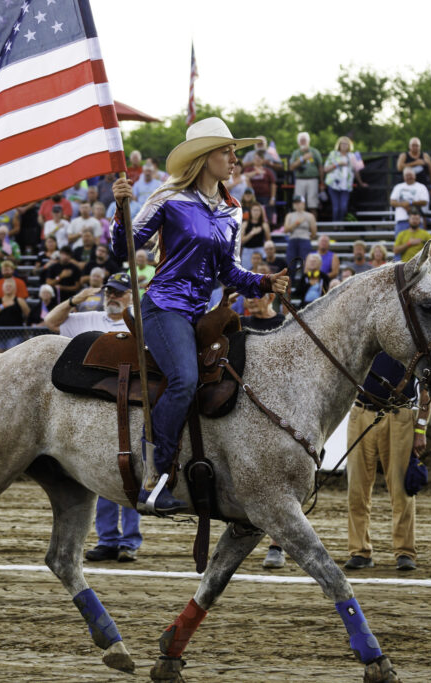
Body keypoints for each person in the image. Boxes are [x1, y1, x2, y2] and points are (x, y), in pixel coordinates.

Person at [111, 117, 289, 513]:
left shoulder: (233, 210)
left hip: (199, 314)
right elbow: (123, 249)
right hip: (163, 306)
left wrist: (265, 283)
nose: (234, 159)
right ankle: (153, 479)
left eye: (234, 153)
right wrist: (120, 210)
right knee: (185, 379)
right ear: (205, 157)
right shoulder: (168, 197)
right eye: (227, 152)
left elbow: (230, 272)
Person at [44, 273, 143, 560]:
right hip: (98, 408)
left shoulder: (140, 320)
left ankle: (129, 541)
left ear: (130, 296)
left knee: (132, 471)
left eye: (119, 292)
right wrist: (75, 299)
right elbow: (51, 322)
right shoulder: (90, 318)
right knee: (104, 472)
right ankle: (108, 539)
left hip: (131, 405)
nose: (112, 296)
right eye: (109, 291)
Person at [345, 353, 431, 572]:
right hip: (361, 412)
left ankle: (405, 551)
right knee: (356, 489)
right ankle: (359, 551)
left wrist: (421, 429)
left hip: (399, 414)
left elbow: (426, 389)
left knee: (401, 490)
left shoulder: (412, 344)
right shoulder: (365, 341)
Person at [323, 136, 362, 223]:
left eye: (346, 144)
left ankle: (341, 224)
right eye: (342, 143)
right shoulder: (333, 154)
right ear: (339, 145)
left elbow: (357, 170)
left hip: (346, 186)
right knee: (336, 207)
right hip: (333, 185)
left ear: (349, 145)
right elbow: (325, 169)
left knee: (343, 207)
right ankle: (335, 225)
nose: (344, 145)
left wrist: (361, 183)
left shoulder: (352, 156)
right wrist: (338, 164)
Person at [289, 132, 323, 212]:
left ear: (308, 141)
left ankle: (313, 220)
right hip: (300, 180)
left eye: (304, 140)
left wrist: (322, 182)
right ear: (298, 142)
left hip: (313, 180)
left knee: (313, 204)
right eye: (301, 140)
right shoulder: (296, 153)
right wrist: (302, 159)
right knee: (299, 203)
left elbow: (320, 167)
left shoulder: (315, 152)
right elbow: (291, 167)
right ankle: (300, 220)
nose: (303, 142)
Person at [389, 167, 429, 235]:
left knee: (418, 241)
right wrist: (403, 204)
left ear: (414, 176)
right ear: (403, 177)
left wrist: (410, 203)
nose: (409, 177)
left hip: (417, 220)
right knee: (400, 240)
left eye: (410, 175)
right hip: (401, 219)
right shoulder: (398, 187)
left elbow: (425, 201)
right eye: (406, 175)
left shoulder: (421, 187)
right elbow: (392, 202)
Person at [282, 195, 317, 267]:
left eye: (299, 202)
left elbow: (314, 232)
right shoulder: (289, 215)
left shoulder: (310, 216)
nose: (297, 205)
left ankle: (304, 274)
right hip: (293, 239)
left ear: (303, 203)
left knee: (305, 262)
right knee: (291, 262)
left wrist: (308, 238)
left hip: (304, 239)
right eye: (295, 203)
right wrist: (296, 223)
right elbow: (285, 230)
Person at [246, 151, 277, 225]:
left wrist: (273, 198)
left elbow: (273, 184)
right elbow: (244, 177)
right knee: (252, 214)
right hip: (252, 197)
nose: (257, 160)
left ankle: (267, 227)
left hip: (265, 197)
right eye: (256, 158)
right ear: (253, 160)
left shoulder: (268, 171)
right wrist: (256, 172)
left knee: (267, 215)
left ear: (263, 160)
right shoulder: (249, 170)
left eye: (259, 158)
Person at [241, 201, 271, 269]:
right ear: (250, 211)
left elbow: (268, 241)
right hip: (247, 251)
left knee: (261, 272)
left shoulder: (264, 225)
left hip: (260, 250)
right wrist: (252, 233)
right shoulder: (245, 224)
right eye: (254, 210)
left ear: (261, 212)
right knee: (247, 272)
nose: (256, 212)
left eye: (258, 210)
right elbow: (241, 241)